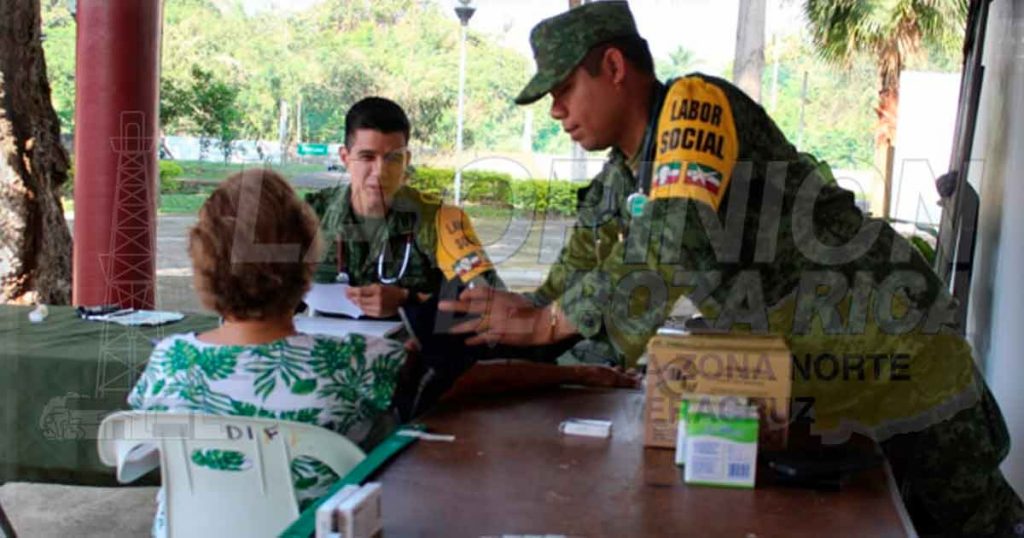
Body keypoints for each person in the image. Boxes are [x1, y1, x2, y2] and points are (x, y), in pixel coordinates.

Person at [440, 2, 1024, 536]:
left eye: (564, 88)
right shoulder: (624, 173)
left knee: (969, 522)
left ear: (614, 66)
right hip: (820, 381)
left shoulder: (696, 106)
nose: (557, 110)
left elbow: (672, 241)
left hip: (898, 356)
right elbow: (576, 270)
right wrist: (524, 323)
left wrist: (548, 326)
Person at [128, 169, 406, 537]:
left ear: (204, 264)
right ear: (306, 264)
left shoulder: (169, 360)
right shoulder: (358, 361)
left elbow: (137, 444)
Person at [309, 96, 503, 319]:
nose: (380, 171)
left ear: (407, 160)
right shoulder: (308, 215)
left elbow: (489, 299)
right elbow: (267, 291)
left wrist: (408, 300)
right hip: (323, 344)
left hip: (411, 346)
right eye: (367, 157)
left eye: (393, 158)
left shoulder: (439, 219)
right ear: (345, 157)